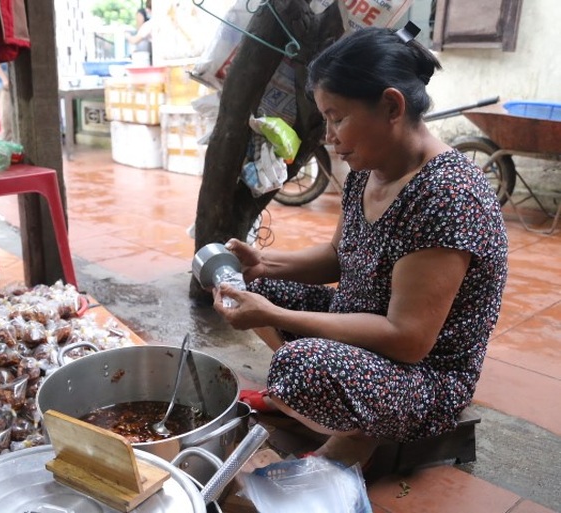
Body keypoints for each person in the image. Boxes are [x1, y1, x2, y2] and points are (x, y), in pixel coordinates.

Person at [211, 24, 508, 471]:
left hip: (424, 375)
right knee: (243, 287)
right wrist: (263, 265)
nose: (329, 135)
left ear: (391, 105)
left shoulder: (446, 196)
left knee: (299, 365)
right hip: (364, 328)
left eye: (337, 117)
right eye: (326, 119)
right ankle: (325, 410)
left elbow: (407, 340)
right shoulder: (366, 171)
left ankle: (353, 434)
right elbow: (338, 256)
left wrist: (273, 317)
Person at [0, 63, 14, 141]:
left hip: (6, 82)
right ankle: (7, 139)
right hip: (3, 85)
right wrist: (5, 79)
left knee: (9, 113)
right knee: (6, 114)